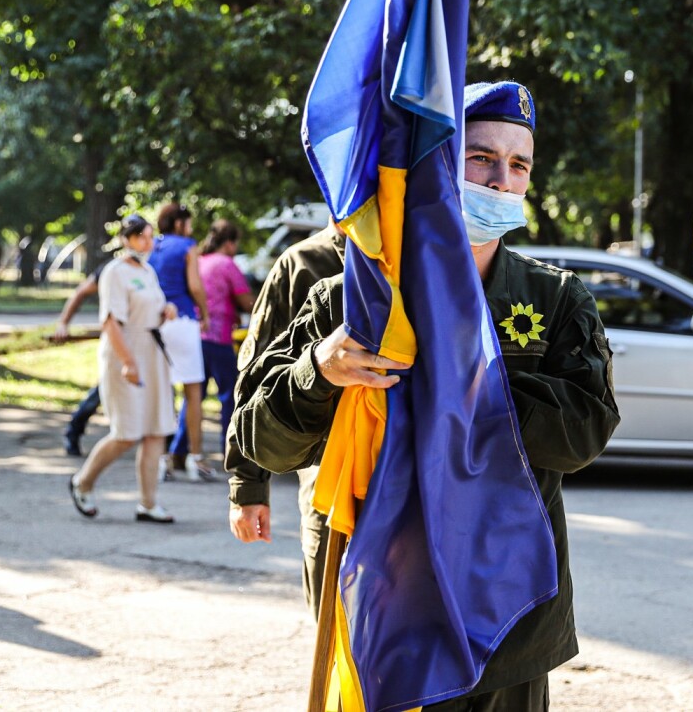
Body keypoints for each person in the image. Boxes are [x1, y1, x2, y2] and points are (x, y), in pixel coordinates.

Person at [232, 81, 619, 708]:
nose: (500, 179)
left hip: (509, 620)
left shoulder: (555, 298)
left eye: (518, 164)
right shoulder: (349, 303)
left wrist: (463, 383)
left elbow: (583, 435)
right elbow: (262, 440)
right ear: (437, 160)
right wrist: (319, 371)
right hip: (390, 612)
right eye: (480, 156)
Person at [225, 220, 345, 618]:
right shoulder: (303, 264)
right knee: (334, 619)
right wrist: (248, 486)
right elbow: (256, 378)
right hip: (326, 473)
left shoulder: (432, 257)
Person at [68, 214, 179, 524]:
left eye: (150, 236)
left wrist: (166, 311)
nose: (148, 242)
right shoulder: (114, 272)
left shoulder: (147, 271)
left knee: (157, 430)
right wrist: (128, 362)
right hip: (125, 356)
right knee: (127, 433)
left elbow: (150, 311)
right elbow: (110, 321)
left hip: (152, 354)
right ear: (126, 239)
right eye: (142, 236)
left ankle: (148, 503)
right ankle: (83, 482)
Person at [148, 202, 213, 481]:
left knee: (163, 392)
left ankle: (161, 459)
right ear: (178, 223)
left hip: (156, 321)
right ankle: (194, 459)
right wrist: (205, 313)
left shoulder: (152, 246)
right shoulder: (187, 246)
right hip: (183, 319)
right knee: (193, 392)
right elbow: (195, 285)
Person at [181, 219, 253, 459]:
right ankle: (229, 450)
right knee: (229, 395)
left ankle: (178, 451)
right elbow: (246, 301)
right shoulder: (227, 264)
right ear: (230, 243)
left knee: (193, 396)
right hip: (219, 336)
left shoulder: (198, 261)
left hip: (195, 336)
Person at [54, 249, 118, 456]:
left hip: (148, 341)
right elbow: (81, 291)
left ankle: (170, 445)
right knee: (105, 387)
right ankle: (74, 430)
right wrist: (63, 323)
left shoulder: (152, 267)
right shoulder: (112, 268)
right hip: (119, 340)